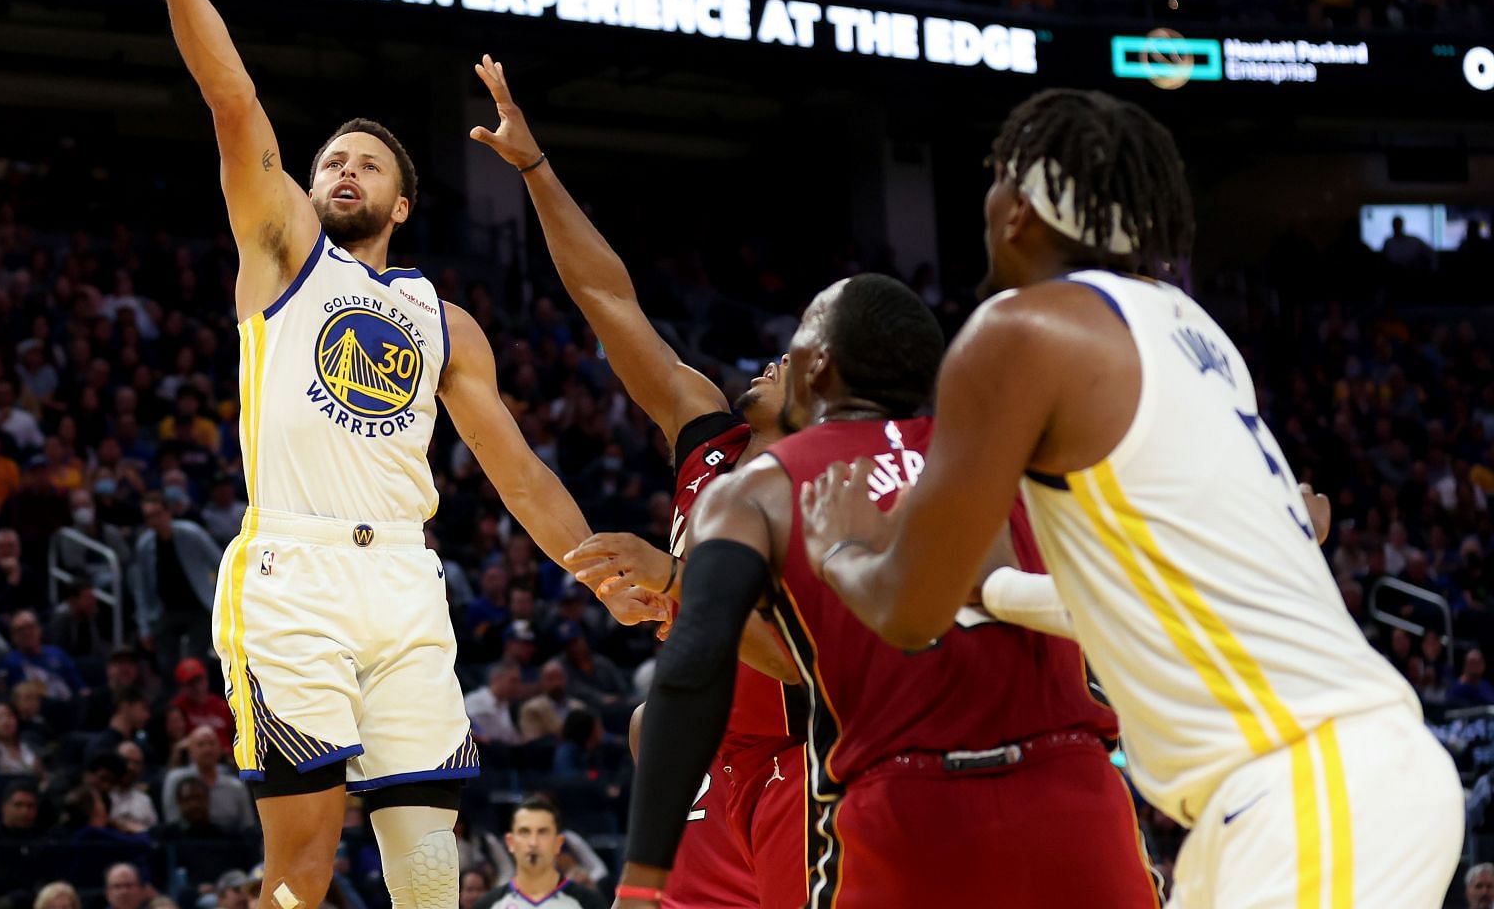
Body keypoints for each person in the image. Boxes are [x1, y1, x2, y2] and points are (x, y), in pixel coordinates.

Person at [94, 0, 644, 909]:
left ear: (401, 202)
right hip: (293, 568)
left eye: (367, 164)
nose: (341, 169)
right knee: (302, 858)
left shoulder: (448, 318)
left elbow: (517, 471)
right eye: (330, 160)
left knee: (429, 862)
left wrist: (591, 568)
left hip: (404, 575)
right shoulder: (285, 251)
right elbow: (229, 95)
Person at [792, 89, 1462, 904]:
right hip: (1320, 784)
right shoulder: (1191, 330)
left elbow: (909, 611)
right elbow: (1165, 593)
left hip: (1302, 778)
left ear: (1019, 208)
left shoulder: (1018, 329)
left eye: (995, 178)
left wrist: (841, 548)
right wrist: (998, 588)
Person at [614, 275, 1155, 908]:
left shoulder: (757, 491)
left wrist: (641, 879)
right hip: (1069, 786)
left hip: (901, 801)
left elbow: (690, 675)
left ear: (820, 366)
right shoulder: (1005, 455)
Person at [474, 58, 797, 909]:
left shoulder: (835, 481)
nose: (773, 358)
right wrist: (536, 169)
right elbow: (606, 298)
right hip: (709, 755)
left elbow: (813, 642)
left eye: (795, 358)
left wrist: (675, 582)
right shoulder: (709, 430)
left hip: (799, 752)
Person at [131, 498, 220, 676]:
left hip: (199, 606)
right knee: (166, 665)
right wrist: (144, 627)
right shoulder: (144, 546)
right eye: (149, 517)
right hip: (165, 610)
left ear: (168, 513)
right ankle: (173, 701)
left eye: (157, 514)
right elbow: (142, 589)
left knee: (196, 662)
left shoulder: (192, 534)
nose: (155, 520)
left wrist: (220, 599)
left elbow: (220, 562)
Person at [471, 798, 605, 909]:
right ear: (510, 842)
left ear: (558, 843)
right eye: (524, 832)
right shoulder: (487, 905)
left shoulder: (589, 903)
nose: (533, 842)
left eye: (543, 832)